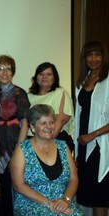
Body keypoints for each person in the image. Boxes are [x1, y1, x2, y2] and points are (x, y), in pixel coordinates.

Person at [10, 104, 83, 215]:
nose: (49, 127)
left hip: (61, 202)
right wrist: (49, 203)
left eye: (51, 122)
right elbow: (18, 185)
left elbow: (73, 178)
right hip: (31, 203)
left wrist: (66, 200)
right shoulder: (22, 149)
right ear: (33, 127)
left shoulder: (63, 146)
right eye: (43, 123)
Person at [0, 54, 30, 216]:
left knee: (16, 188)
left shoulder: (20, 93)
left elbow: (25, 122)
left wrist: (19, 148)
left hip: (14, 147)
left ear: (13, 71)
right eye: (0, 68)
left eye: (8, 68)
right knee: (2, 189)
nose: (4, 72)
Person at [74, 40, 109, 216]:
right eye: (89, 54)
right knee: (89, 194)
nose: (94, 58)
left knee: (100, 196)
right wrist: (77, 149)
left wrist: (93, 135)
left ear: (104, 57)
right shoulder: (82, 81)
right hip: (83, 144)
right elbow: (79, 116)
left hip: (102, 146)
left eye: (98, 54)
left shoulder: (108, 80)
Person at [28, 62, 75, 153]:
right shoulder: (28, 96)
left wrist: (44, 143)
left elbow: (61, 120)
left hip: (55, 139)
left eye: (49, 74)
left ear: (54, 78)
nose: (44, 77)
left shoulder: (60, 92)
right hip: (32, 140)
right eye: (41, 74)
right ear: (36, 78)